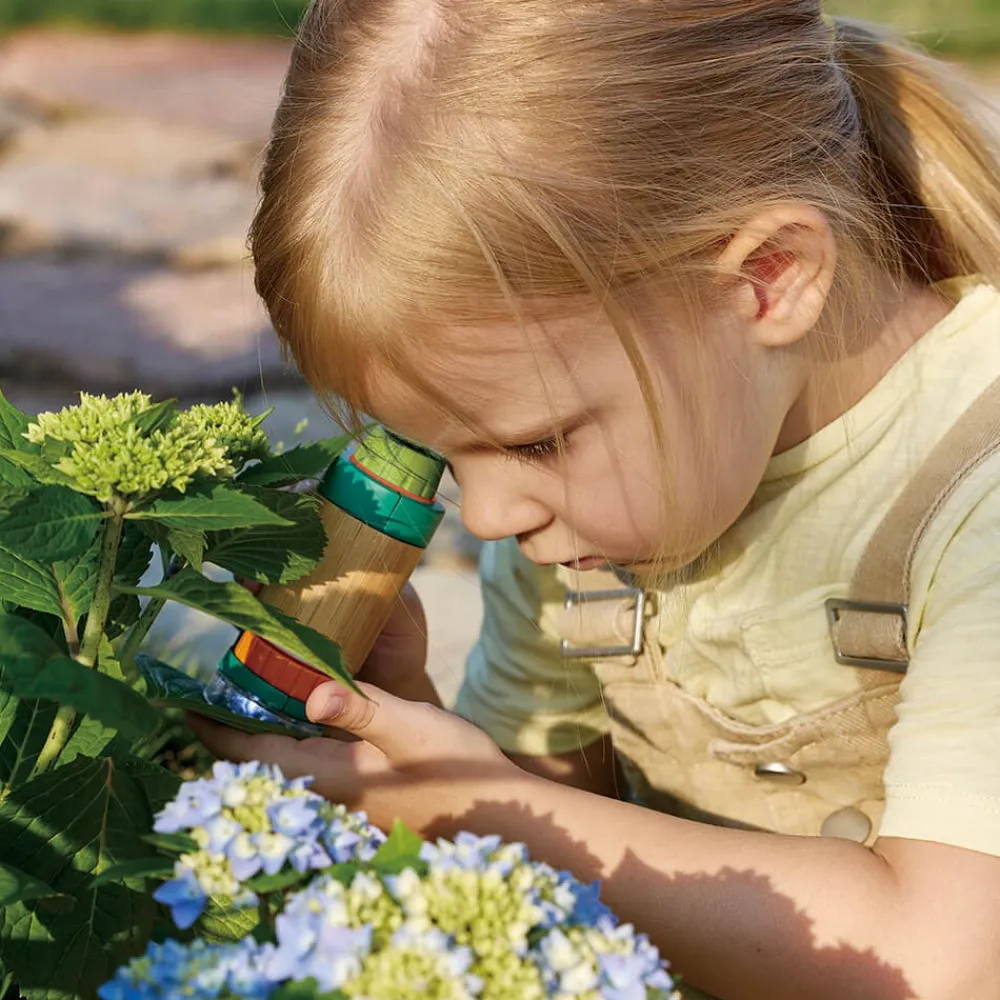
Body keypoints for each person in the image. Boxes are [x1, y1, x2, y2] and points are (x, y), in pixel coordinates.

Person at [189, 3, 1000, 997]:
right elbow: (568, 830)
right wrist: (427, 754)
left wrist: (479, 804)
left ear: (768, 279)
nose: (485, 518)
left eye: (536, 441)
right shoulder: (586, 524)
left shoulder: (974, 490)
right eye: (444, 457)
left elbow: (946, 961)